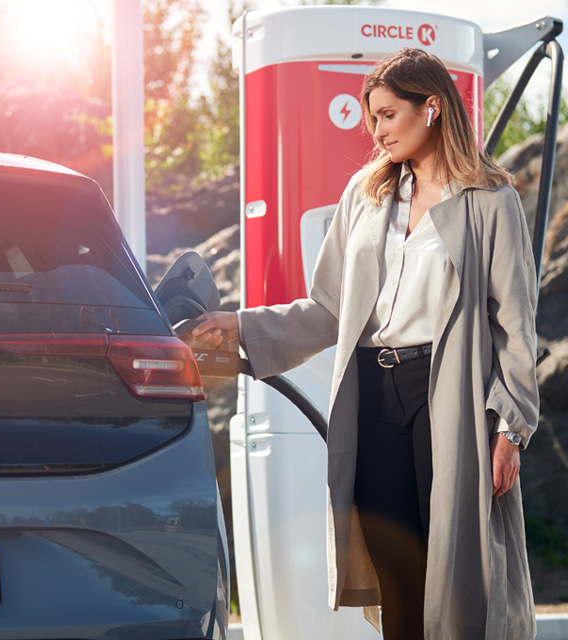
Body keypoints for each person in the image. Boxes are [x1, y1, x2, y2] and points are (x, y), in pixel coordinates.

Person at [191, 48, 539, 640]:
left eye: (386, 115)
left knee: (453, 568)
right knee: (393, 561)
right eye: (370, 119)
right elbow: (329, 308)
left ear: (431, 107)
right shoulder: (366, 194)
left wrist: (511, 426)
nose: (376, 133)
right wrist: (243, 326)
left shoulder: (490, 203)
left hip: (448, 393)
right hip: (373, 394)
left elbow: (515, 324)